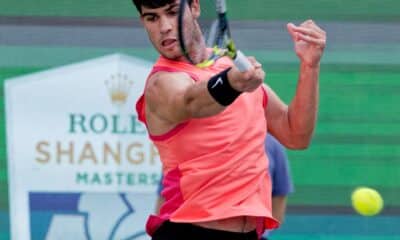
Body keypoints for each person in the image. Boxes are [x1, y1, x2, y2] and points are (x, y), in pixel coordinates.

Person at [132, 0, 326, 239]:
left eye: (172, 13)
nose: (164, 27)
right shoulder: (161, 82)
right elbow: (191, 101)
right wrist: (232, 83)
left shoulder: (228, 64)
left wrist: (310, 66)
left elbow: (296, 134)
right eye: (152, 18)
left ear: (194, 7)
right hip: (189, 230)